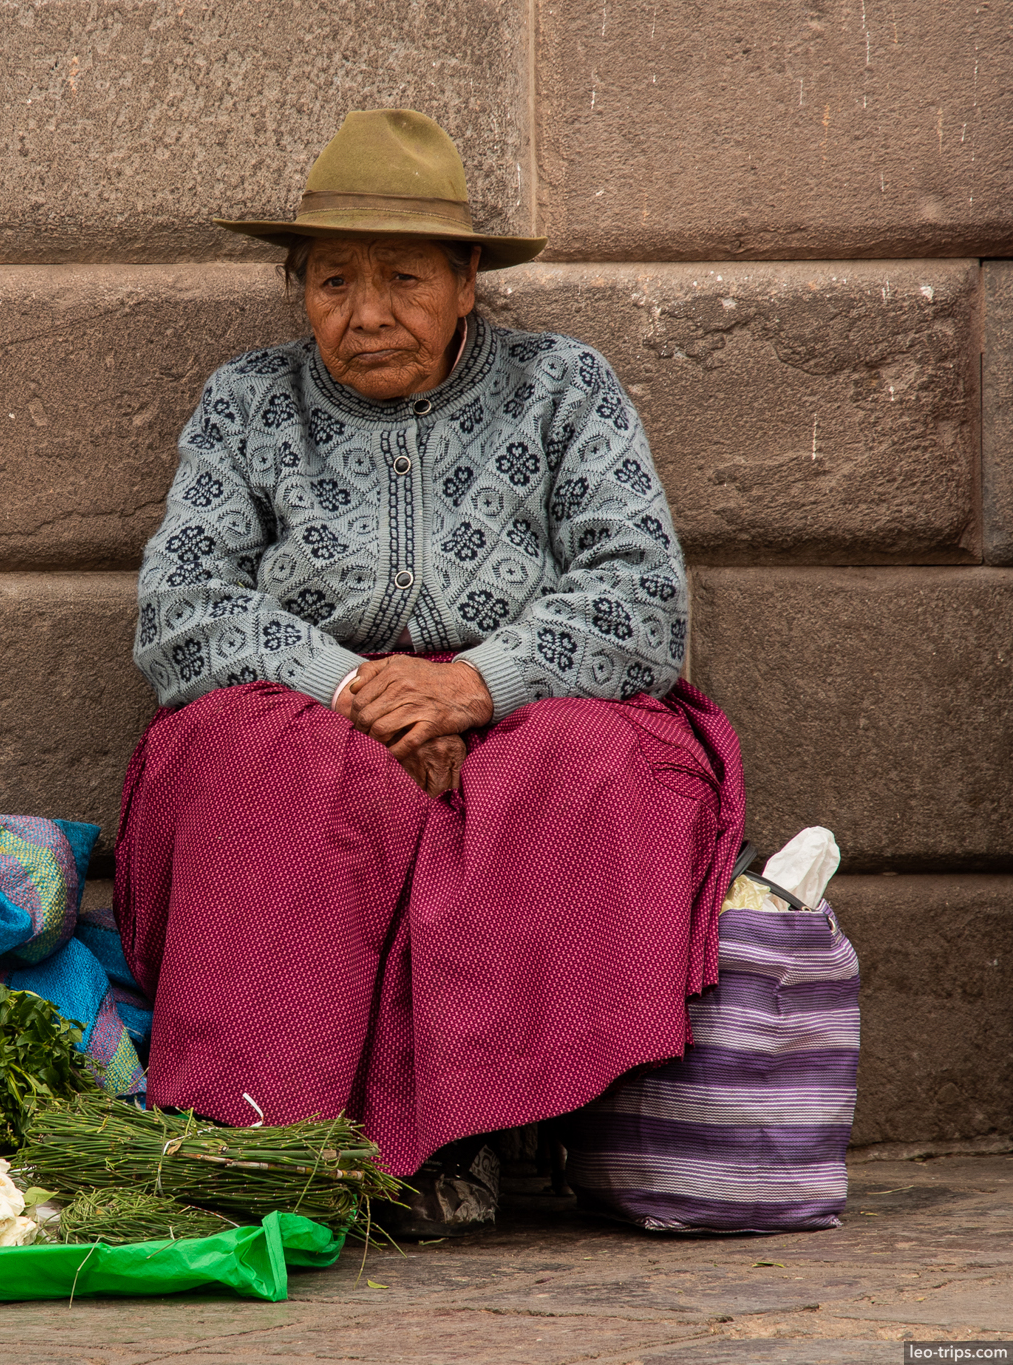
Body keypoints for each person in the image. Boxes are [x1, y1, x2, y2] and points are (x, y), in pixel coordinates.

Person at [113, 109, 745, 1232]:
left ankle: (466, 1137)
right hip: (320, 709)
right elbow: (180, 611)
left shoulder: (562, 389)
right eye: (329, 282)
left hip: (517, 708)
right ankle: (276, 1140)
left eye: (402, 278)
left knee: (586, 760)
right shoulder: (246, 403)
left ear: (466, 284)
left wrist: (476, 686)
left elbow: (641, 597)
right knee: (254, 757)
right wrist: (355, 692)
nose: (363, 314)